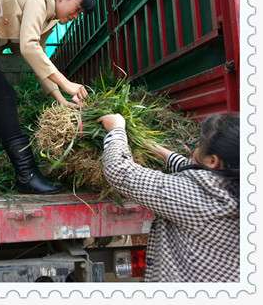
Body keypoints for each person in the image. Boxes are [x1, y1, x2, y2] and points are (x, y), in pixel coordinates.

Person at [0, 0, 95, 194]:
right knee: (4, 98)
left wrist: (60, 98)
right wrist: (66, 83)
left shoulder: (48, 21)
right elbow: (29, 47)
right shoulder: (37, 1)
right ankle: (26, 175)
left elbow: (38, 61)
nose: (75, 16)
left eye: (79, 14)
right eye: (77, 8)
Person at [98, 113, 239, 282]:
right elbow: (193, 169)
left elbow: (121, 171)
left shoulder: (197, 198)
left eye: (200, 143)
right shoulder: (235, 185)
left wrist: (116, 129)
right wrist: (158, 150)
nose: (196, 147)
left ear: (212, 161)